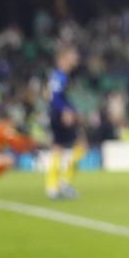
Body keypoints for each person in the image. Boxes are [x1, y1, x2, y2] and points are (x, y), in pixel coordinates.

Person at [45, 45, 84, 200]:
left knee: (59, 148)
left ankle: (54, 186)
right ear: (62, 59)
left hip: (59, 114)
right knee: (79, 147)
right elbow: (54, 98)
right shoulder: (58, 76)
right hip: (60, 116)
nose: (74, 59)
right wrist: (66, 111)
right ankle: (61, 184)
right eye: (72, 56)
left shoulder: (60, 76)